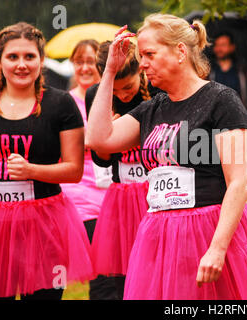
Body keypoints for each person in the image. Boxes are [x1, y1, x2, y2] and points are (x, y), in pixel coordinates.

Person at [86, 14, 247, 300]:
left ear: (180, 52)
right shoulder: (153, 108)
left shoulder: (222, 101)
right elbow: (98, 139)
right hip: (160, 232)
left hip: (208, 229)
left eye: (149, 54)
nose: (143, 63)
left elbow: (239, 182)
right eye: (141, 55)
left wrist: (218, 248)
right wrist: (109, 72)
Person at [0, 22, 93, 300]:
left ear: (41, 60)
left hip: (43, 221)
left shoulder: (60, 104)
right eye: (12, 57)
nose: (21, 65)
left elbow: (73, 171)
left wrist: (31, 170)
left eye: (29, 57)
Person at [86, 40, 152, 300]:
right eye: (116, 89)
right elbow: (101, 160)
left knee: (153, 268)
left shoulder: (157, 91)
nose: (123, 95)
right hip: (122, 195)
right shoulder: (96, 94)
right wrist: (106, 139)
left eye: (129, 87)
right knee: (122, 276)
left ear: (141, 74)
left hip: (154, 191)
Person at [58, 39, 113, 300]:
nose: (84, 68)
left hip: (111, 192)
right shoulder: (62, 103)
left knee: (112, 273)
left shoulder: (114, 100)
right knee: (99, 270)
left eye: (91, 62)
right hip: (77, 195)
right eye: (79, 62)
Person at [208, 31, 247, 114]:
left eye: (223, 45)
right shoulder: (208, 70)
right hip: (214, 118)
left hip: (238, 116)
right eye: (217, 45)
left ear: (232, 47)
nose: (219, 49)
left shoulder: (241, 70)